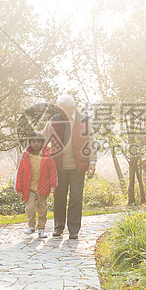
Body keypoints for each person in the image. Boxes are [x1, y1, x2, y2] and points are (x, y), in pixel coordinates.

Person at [42, 94, 97, 239]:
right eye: (60, 109)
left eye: (64, 109)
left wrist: (92, 161)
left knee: (76, 198)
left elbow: (91, 142)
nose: (62, 112)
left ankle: (73, 230)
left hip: (78, 166)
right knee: (59, 197)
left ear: (73, 107)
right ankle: (58, 227)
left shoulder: (84, 121)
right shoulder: (54, 121)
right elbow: (43, 139)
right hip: (58, 166)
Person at [14, 131, 58, 239]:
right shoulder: (25, 156)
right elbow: (20, 172)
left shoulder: (47, 155)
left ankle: (41, 229)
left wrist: (53, 184)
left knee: (42, 208)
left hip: (43, 187)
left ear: (42, 142)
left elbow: (53, 170)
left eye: (38, 141)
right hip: (30, 188)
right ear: (30, 142)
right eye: (34, 141)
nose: (36, 144)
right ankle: (31, 226)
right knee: (30, 208)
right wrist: (19, 187)